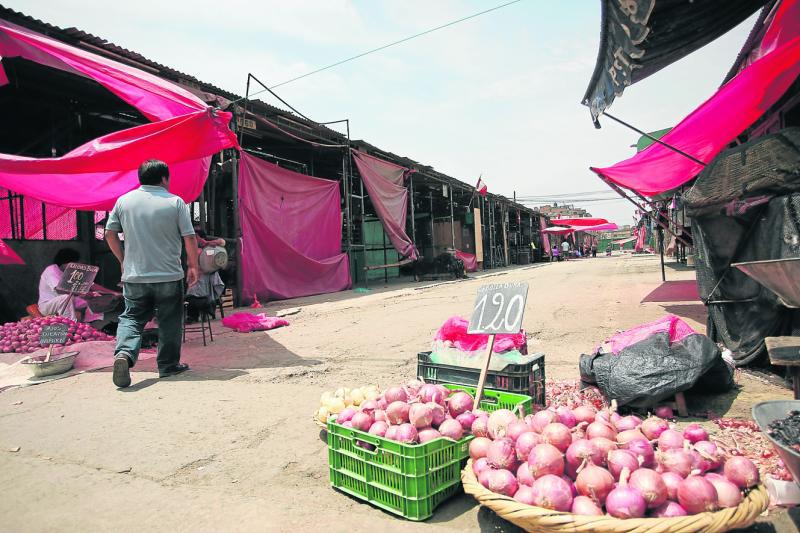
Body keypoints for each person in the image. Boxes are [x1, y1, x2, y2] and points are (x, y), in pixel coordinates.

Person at [105, 159, 199, 388]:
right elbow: (189, 237)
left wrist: (123, 260)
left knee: (132, 317)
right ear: (164, 178)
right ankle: (167, 366)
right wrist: (193, 266)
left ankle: (124, 355)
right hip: (168, 275)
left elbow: (109, 233)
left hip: (134, 276)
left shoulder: (123, 201)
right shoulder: (175, 202)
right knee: (170, 320)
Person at [38, 248, 104, 322]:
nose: (77, 265)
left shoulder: (72, 272)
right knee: (65, 297)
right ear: (64, 262)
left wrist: (113, 292)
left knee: (96, 296)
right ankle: (70, 324)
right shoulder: (51, 269)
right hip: (48, 306)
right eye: (74, 263)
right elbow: (59, 290)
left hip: (69, 301)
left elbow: (91, 285)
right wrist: (82, 293)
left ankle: (91, 322)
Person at [185, 225, 226, 323]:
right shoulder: (193, 249)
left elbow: (222, 242)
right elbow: (189, 264)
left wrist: (207, 242)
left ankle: (204, 307)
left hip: (206, 279)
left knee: (192, 294)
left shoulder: (209, 247)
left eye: (196, 237)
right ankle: (195, 314)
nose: (194, 239)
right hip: (196, 278)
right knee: (190, 293)